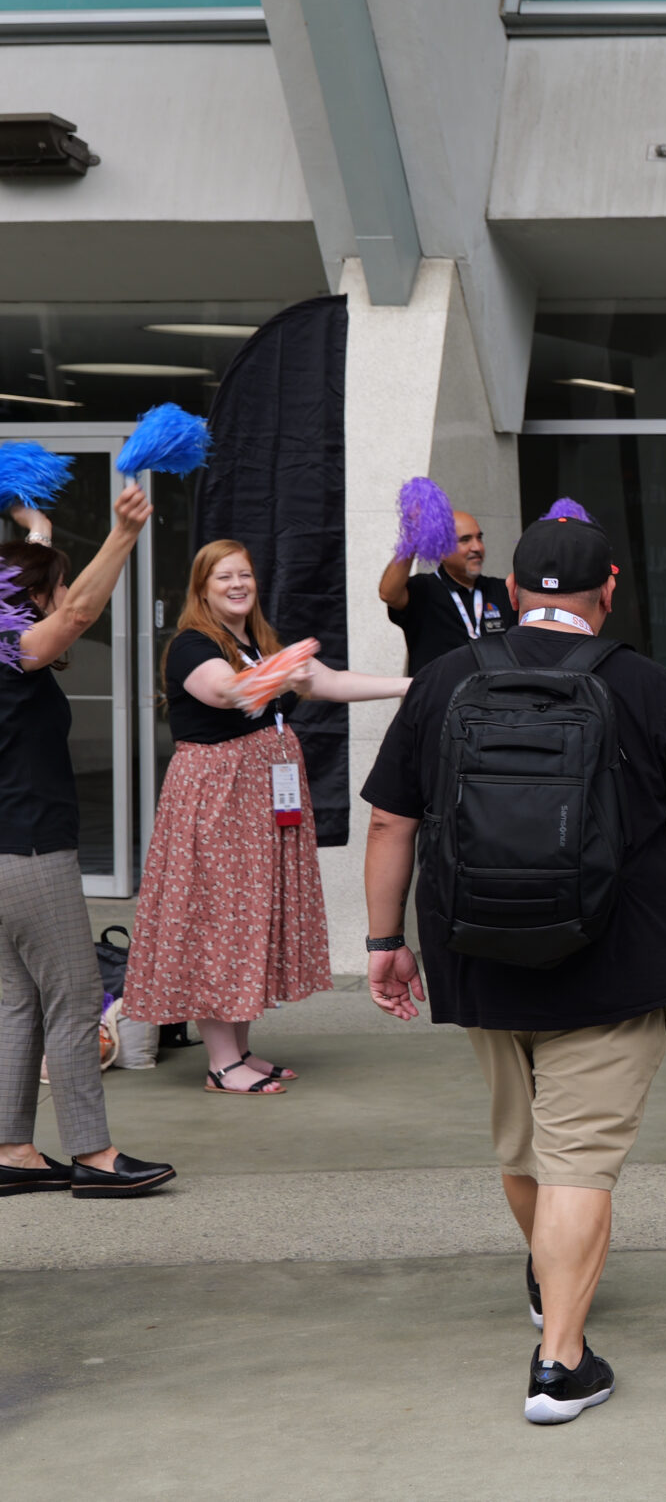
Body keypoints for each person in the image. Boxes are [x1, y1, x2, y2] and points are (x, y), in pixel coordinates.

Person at [361, 512, 666, 1424]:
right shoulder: (646, 686)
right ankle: (559, 1361)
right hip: (613, 958)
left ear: (509, 593)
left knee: (524, 1143)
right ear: (609, 590)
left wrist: (386, 943)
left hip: (478, 950)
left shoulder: (445, 680)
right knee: (580, 1162)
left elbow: (390, 820)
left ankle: (550, 1278)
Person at [123, 541, 410, 1092]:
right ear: (202, 587)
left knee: (250, 917)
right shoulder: (192, 645)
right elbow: (227, 692)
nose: (237, 584)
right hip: (217, 802)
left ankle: (239, 1050)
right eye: (224, 576)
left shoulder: (257, 642)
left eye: (245, 575)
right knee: (220, 920)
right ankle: (221, 1062)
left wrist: (410, 687)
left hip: (261, 804)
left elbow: (326, 682)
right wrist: (284, 666)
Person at [0, 491, 175, 1198]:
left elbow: (48, 594)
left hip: (7, 852)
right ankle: (94, 1156)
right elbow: (74, 614)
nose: (67, 593)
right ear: (33, 595)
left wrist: (36, 526)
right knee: (74, 999)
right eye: (55, 581)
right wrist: (125, 533)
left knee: (17, 1001)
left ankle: (12, 1149)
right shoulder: (13, 646)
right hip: (30, 850)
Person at [379, 504, 514, 674]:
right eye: (465, 540)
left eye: (479, 538)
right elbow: (388, 593)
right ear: (441, 550)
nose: (477, 547)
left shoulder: (503, 590)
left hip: (492, 697)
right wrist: (412, 539)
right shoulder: (423, 589)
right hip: (438, 698)